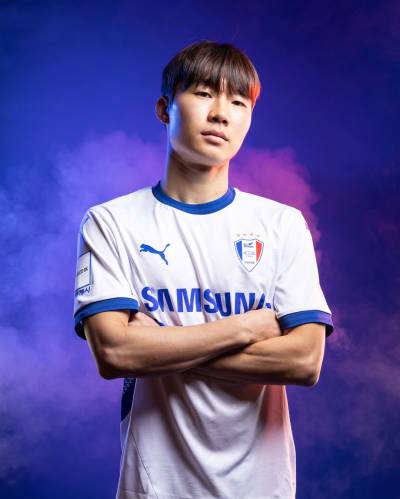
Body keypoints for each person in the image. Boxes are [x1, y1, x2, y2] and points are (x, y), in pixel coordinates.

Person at [73, 40, 334, 499]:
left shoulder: (281, 224)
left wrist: (158, 346)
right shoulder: (111, 222)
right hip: (154, 487)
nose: (220, 114)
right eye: (203, 94)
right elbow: (114, 354)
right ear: (164, 109)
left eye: (237, 102)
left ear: (249, 118)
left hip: (262, 489)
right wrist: (246, 327)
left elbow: (304, 361)